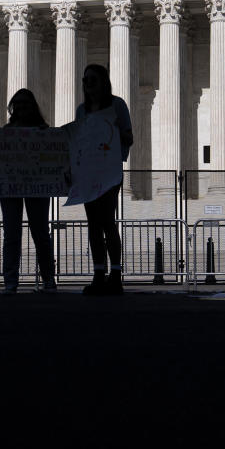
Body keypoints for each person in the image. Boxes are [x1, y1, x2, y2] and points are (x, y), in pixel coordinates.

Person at [0, 89, 57, 293]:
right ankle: (10, 280)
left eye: (26, 103)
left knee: (40, 233)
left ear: (33, 106)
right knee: (11, 234)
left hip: (37, 184)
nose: (22, 107)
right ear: (13, 107)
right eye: (18, 104)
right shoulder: (6, 132)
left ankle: (48, 279)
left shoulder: (44, 132)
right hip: (11, 185)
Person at [76, 64, 133, 295]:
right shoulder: (82, 110)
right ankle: (99, 273)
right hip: (89, 170)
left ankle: (116, 275)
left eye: (93, 79)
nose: (89, 83)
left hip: (109, 169)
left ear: (103, 81)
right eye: (86, 79)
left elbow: (129, 136)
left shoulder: (117, 105)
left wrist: (115, 131)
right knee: (93, 223)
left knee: (108, 220)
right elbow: (78, 140)